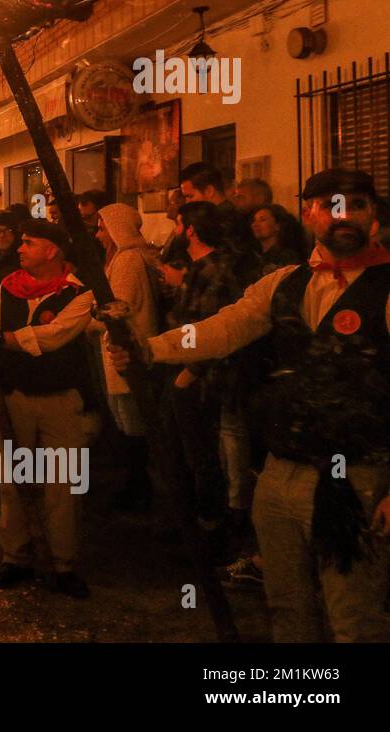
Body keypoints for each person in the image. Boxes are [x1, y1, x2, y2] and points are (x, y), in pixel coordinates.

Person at [108, 168, 390, 642]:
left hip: (360, 479)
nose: (345, 216)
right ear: (310, 215)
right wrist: (150, 349)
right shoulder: (284, 283)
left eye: (357, 205)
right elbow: (223, 328)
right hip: (280, 473)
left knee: (356, 621)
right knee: (286, 608)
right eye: (331, 206)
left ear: (374, 217)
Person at [0, 220, 96, 599]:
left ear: (51, 251)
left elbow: (54, 338)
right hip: (13, 397)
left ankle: (63, 562)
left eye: (29, 243)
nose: (20, 249)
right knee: (11, 481)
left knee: (62, 484)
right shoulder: (10, 286)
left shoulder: (78, 294)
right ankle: (15, 557)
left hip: (60, 400)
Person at [164, 201, 245, 560]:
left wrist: (190, 372)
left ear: (190, 230)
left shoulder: (216, 270)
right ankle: (193, 524)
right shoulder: (198, 269)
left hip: (204, 379)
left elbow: (212, 329)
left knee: (203, 455)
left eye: (179, 224)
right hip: (187, 371)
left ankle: (211, 531)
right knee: (185, 452)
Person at [94, 203, 160, 511]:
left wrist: (89, 314)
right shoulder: (122, 258)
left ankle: (139, 490)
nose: (98, 233)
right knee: (127, 422)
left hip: (128, 352)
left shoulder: (129, 260)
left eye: (102, 227)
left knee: (133, 425)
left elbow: (119, 306)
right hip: (119, 352)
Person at [251, 203, 307, 272]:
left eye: (262, 220)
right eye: (254, 221)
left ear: (278, 225)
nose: (255, 225)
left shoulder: (288, 257)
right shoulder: (252, 256)